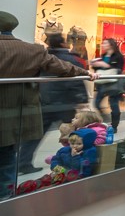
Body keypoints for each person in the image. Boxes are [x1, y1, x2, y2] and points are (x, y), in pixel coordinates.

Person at [0, 11, 94, 196]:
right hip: (16, 113)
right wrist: (86, 73)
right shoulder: (32, 50)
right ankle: (6, 198)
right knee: (7, 157)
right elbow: (63, 67)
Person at [17, 34, 90, 174]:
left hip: (45, 102)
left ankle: (23, 162)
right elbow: (76, 80)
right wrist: (82, 99)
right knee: (75, 132)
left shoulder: (42, 58)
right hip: (65, 102)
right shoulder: (70, 59)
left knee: (36, 134)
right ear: (63, 44)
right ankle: (78, 159)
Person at [91, 38, 125, 132]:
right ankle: (105, 120)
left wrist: (106, 65)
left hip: (114, 85)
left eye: (105, 43)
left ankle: (114, 126)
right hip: (102, 84)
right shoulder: (103, 56)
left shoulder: (118, 56)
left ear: (111, 44)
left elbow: (119, 70)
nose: (102, 45)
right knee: (96, 103)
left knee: (114, 105)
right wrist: (95, 64)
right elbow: (97, 69)